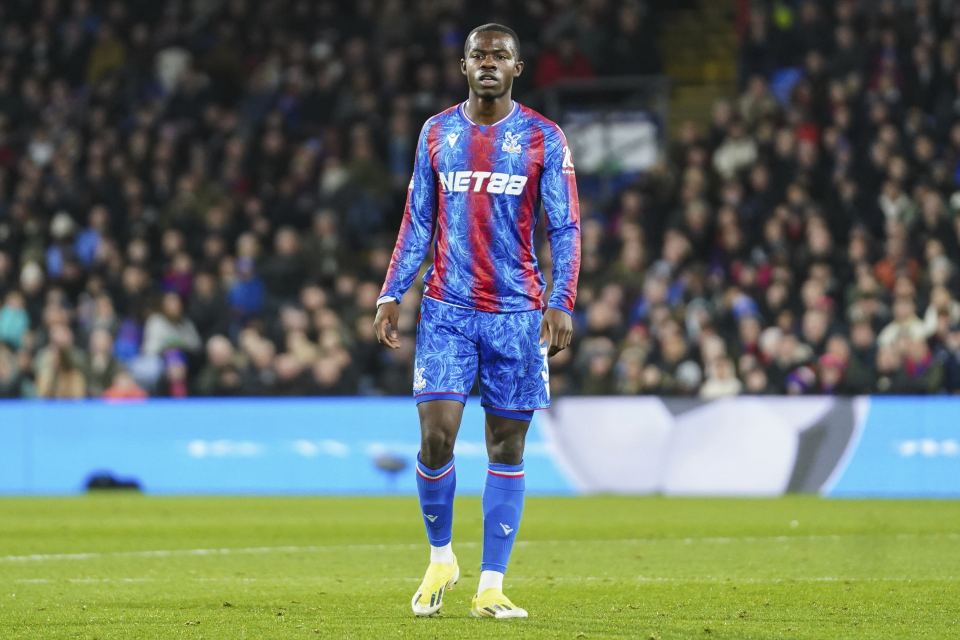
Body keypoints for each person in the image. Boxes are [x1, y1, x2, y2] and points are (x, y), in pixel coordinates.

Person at [373, 23, 580, 619]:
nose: (489, 63)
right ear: (463, 66)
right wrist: (392, 292)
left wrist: (561, 299)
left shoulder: (543, 137)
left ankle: (491, 584)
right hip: (447, 310)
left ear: (518, 67)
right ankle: (442, 557)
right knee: (436, 437)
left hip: (517, 315)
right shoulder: (437, 134)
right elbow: (417, 220)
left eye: (501, 56)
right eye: (479, 55)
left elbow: (564, 226)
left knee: (505, 445)